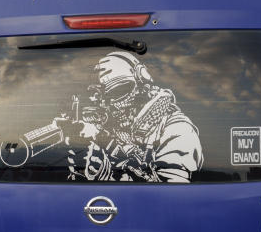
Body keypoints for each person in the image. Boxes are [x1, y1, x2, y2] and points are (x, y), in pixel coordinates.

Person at [63, 51, 203, 182]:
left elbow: (173, 192)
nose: (111, 102)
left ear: (142, 84)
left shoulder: (177, 128)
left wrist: (108, 143)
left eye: (119, 90)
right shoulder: (111, 126)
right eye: (104, 96)